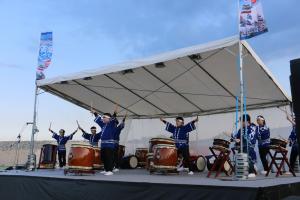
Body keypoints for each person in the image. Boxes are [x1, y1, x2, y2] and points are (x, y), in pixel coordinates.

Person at [92, 106, 119, 176]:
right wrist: (94, 112)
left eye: (104, 117)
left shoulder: (111, 124)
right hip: (103, 144)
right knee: (103, 157)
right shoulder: (103, 124)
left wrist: (115, 113)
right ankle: (106, 169)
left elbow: (113, 118)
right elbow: (98, 120)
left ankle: (110, 170)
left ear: (108, 118)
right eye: (103, 117)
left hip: (109, 144)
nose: (103, 118)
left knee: (108, 157)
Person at [234, 114, 257, 178]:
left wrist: (241, 140)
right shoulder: (241, 129)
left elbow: (251, 138)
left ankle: (252, 171)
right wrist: (236, 139)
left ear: (246, 121)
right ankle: (244, 171)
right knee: (240, 155)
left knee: (247, 155)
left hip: (249, 146)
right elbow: (237, 137)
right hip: (242, 146)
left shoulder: (253, 127)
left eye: (242, 121)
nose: (241, 123)